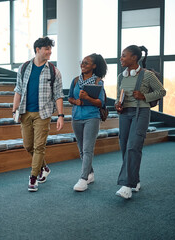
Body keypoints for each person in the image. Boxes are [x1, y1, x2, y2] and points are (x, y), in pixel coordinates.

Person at [12, 37, 64, 192]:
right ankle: (44, 168)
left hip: (43, 114)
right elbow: (18, 90)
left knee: (39, 146)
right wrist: (14, 110)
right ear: (37, 50)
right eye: (47, 48)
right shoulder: (23, 68)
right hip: (25, 113)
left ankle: (33, 177)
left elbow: (58, 95)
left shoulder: (54, 71)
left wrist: (61, 115)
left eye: (50, 48)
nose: (50, 52)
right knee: (28, 145)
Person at [114, 45, 166, 199]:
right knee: (124, 146)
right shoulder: (121, 76)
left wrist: (144, 96)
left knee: (133, 147)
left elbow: (161, 91)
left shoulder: (147, 75)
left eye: (124, 56)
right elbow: (118, 95)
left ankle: (127, 185)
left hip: (140, 113)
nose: (121, 58)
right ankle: (134, 180)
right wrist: (118, 104)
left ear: (134, 58)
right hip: (124, 114)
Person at [68, 53, 107, 192]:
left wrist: (87, 98)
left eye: (86, 63)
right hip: (76, 117)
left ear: (94, 66)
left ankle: (83, 179)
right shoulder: (75, 81)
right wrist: (76, 101)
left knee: (87, 149)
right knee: (81, 149)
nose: (83, 65)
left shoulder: (98, 82)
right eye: (82, 62)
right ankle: (90, 173)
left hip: (92, 117)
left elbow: (100, 102)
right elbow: (70, 98)